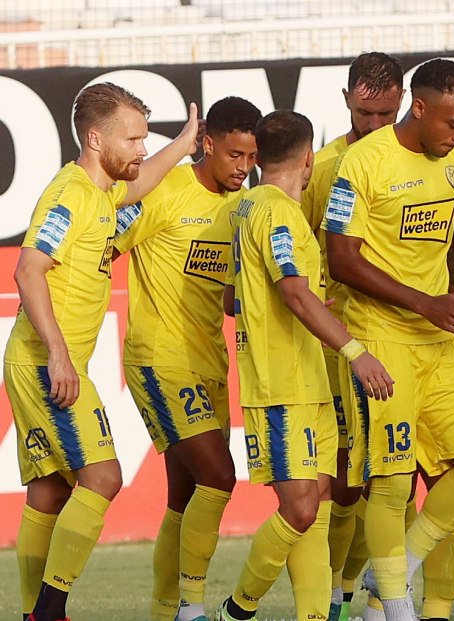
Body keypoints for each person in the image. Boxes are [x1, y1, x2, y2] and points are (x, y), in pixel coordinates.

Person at [326, 57, 454, 621]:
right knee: (390, 483)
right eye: (453, 124)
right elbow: (342, 260)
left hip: (440, 335)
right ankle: (394, 605)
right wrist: (424, 303)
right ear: (419, 109)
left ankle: (396, 568)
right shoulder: (363, 162)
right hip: (381, 337)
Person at [6, 81, 199, 621]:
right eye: (133, 139)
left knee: (49, 491)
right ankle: (49, 612)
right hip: (46, 362)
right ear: (95, 139)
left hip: (45, 360)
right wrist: (59, 355)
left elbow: (142, 182)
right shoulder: (68, 195)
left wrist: (183, 144)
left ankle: (34, 613)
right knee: (103, 477)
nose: (142, 148)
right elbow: (28, 270)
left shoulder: (102, 192)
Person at [215, 110, 393, 621]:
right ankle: (237, 609)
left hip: (307, 381)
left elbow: (234, 298)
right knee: (300, 509)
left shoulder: (245, 208)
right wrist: (355, 352)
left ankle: (314, 615)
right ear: (309, 157)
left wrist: (309, 302)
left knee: (318, 500)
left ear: (258, 158)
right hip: (280, 385)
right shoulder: (279, 213)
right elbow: (292, 291)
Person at [113, 96, 262, 621]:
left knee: (184, 497)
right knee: (219, 477)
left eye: (252, 157)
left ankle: (164, 612)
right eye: (235, 155)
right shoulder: (164, 189)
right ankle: (192, 608)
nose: (243, 167)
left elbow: (229, 298)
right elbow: (104, 242)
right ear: (208, 143)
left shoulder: (245, 207)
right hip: (160, 359)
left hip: (209, 362)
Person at [298, 51, 406, 621]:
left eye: (387, 113)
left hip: (407, 339)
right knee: (344, 480)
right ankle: (337, 598)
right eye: (366, 114)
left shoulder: (423, 158)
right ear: (346, 101)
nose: (377, 125)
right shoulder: (325, 167)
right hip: (339, 345)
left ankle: (371, 593)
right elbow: (298, 249)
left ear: (404, 103)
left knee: (396, 477)